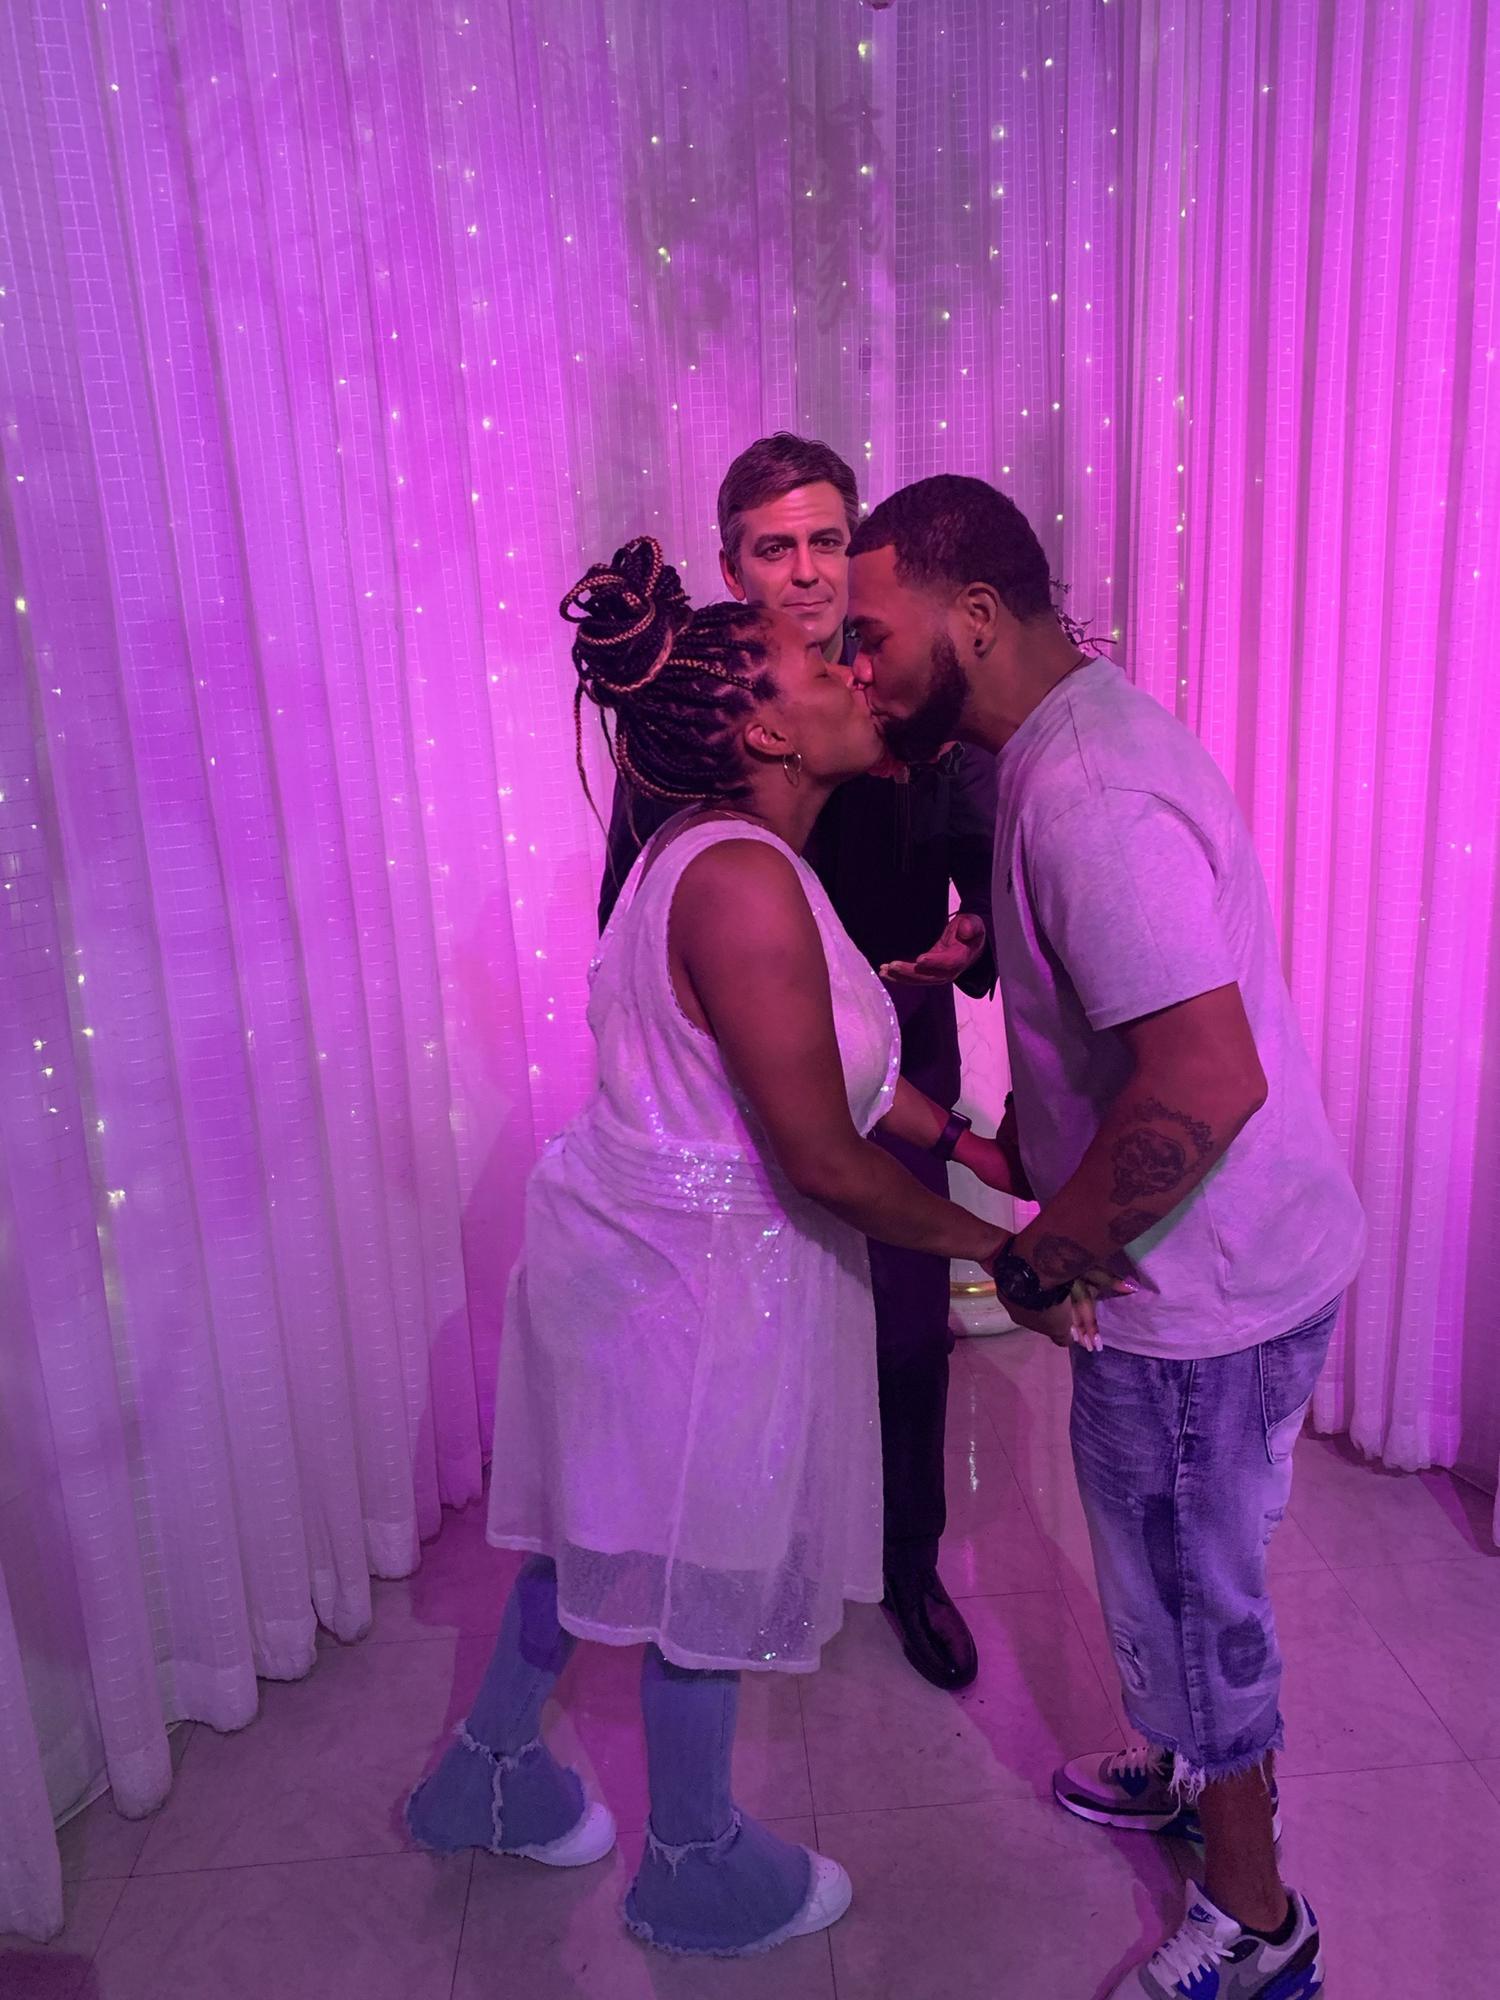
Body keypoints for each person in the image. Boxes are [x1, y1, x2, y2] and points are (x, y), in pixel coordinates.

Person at [405, 536, 1081, 1957]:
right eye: (820, 664)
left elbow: (823, 1067)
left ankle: (484, 1775)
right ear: (767, 729)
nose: (854, 674)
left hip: (650, 1259)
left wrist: (966, 1142)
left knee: (602, 1535)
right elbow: (820, 1154)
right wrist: (1006, 1259)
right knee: (697, 1569)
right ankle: (693, 1865)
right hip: (689, 1283)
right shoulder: (741, 882)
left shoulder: (733, 854)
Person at [847, 475, 1365, 2000]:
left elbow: (1204, 1078)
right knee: (1190, 1581)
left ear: (975, 617)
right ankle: (1195, 1774)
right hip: (1241, 1262)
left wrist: (1037, 1261)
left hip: (1201, 1298)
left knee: (1195, 1611)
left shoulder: (1085, 799)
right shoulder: (1069, 741)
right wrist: (996, 980)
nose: (858, 668)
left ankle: (1258, 1925)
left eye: (873, 635)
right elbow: (1128, 997)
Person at [599, 433, 1001, 1691]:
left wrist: (970, 942)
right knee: (755, 1349)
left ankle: (910, 1564)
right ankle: (761, 1564)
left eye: (830, 539)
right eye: (778, 548)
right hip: (743, 1100)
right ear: (734, 568)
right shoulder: (697, 718)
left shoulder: (916, 703)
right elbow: (630, 922)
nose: (812, 570)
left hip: (901, 1059)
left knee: (907, 1336)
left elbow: (987, 884)